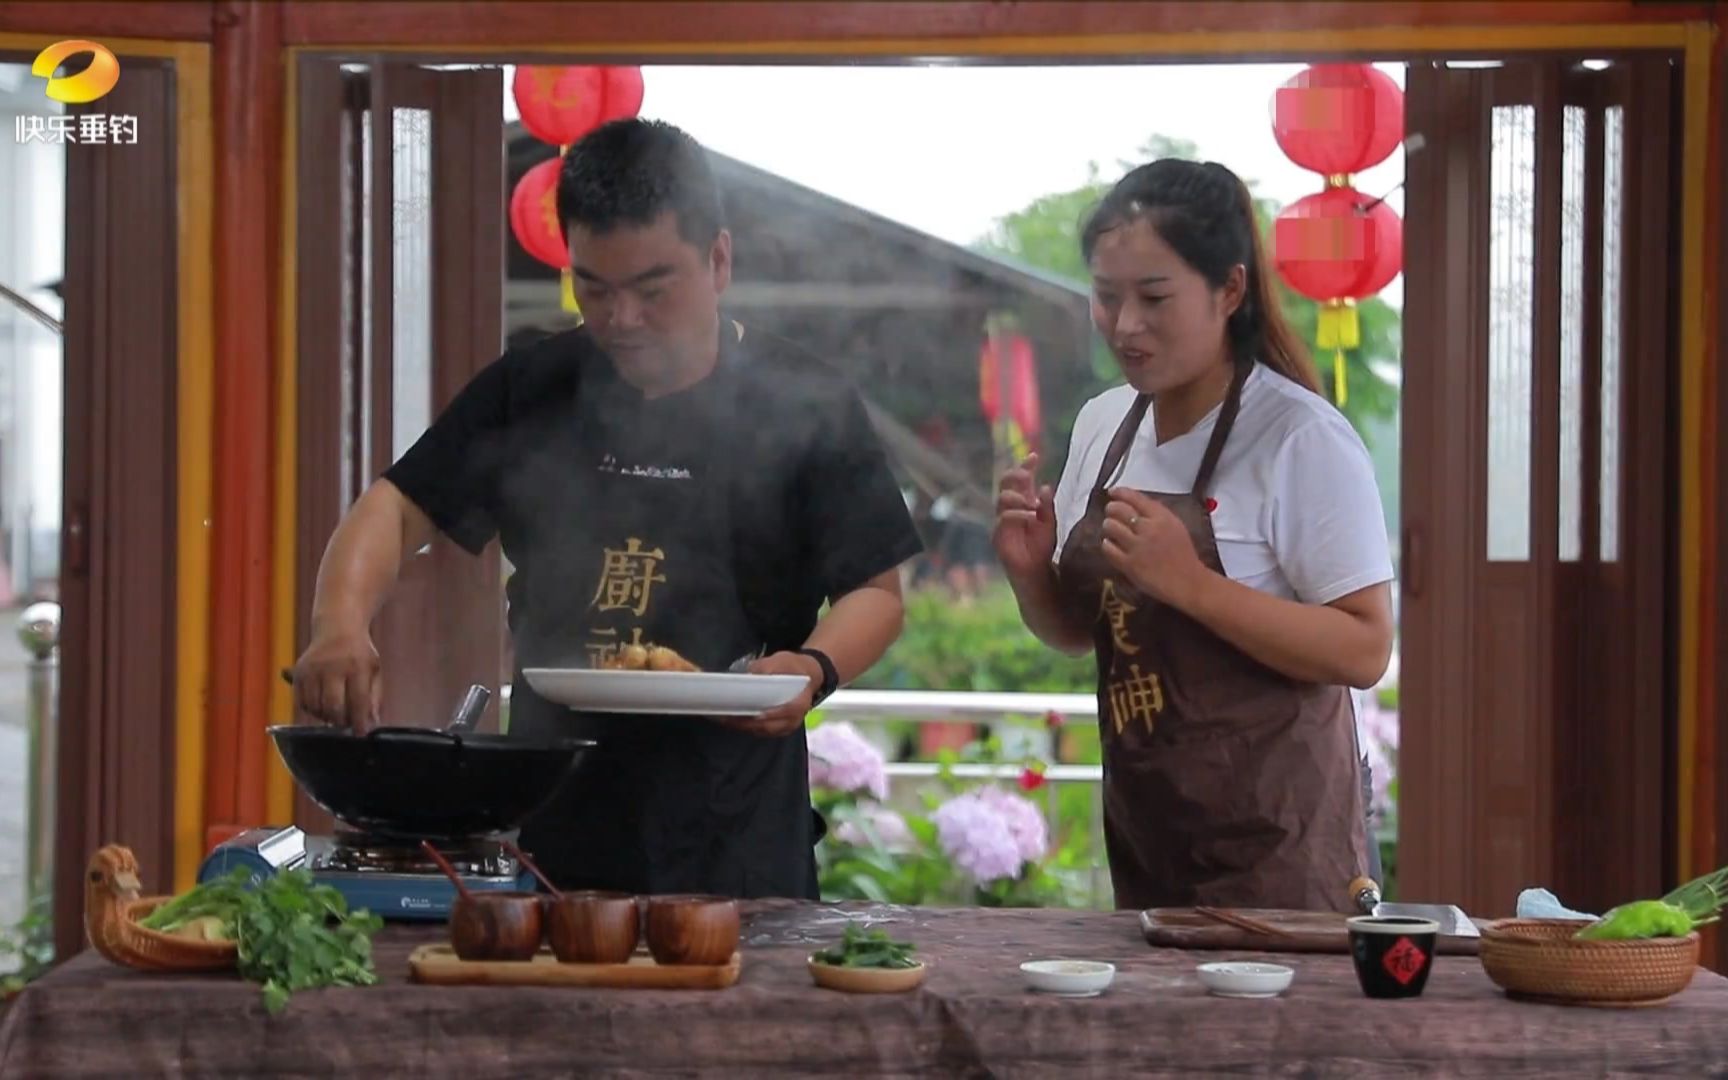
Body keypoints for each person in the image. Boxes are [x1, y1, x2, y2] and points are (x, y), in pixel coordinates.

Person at [291, 118, 923, 899]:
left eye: (653, 289)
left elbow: (877, 590)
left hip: (737, 821)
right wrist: (338, 626)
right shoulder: (532, 387)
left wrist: (812, 668)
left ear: (718, 260)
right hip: (555, 812)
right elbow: (394, 509)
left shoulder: (806, 401)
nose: (621, 319)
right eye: (594, 287)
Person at [993, 158, 1394, 913]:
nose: (1125, 324)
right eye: (1106, 297)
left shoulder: (1299, 438)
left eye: (1154, 297)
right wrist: (1029, 575)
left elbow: (1365, 648)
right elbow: (1085, 632)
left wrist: (1193, 584)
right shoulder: (1104, 424)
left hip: (1281, 851)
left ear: (1230, 291)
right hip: (1150, 835)